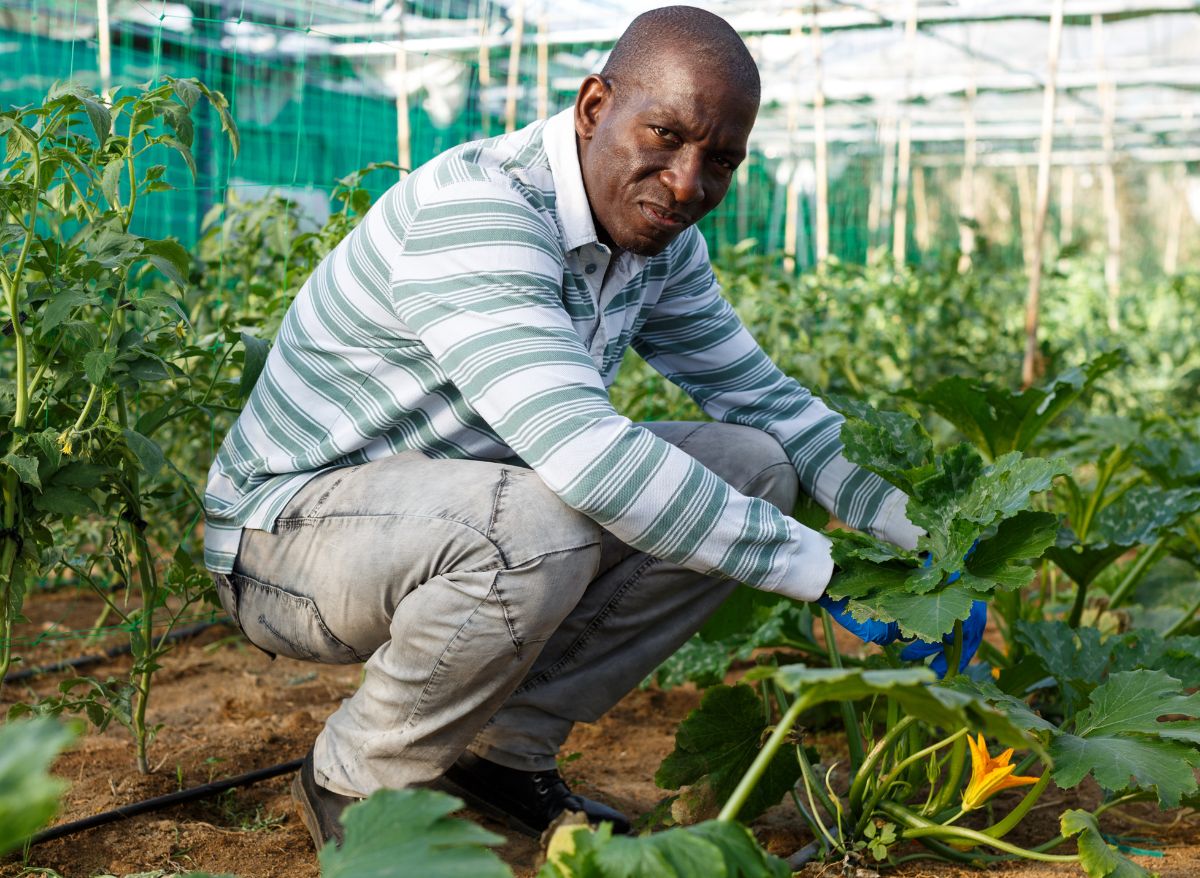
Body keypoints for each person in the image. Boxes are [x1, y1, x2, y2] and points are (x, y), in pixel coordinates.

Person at [203, 5, 982, 850]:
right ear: (592, 107)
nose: (688, 184)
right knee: (535, 528)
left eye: (719, 160)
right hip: (285, 542)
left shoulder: (656, 241)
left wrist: (911, 539)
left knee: (751, 467)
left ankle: (503, 751)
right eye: (665, 135)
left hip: (457, 516)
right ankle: (359, 778)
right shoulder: (485, 211)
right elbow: (588, 458)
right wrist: (822, 569)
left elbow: (762, 398)